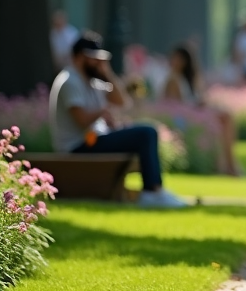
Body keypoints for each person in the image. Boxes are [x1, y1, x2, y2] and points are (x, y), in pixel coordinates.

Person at [49, 33, 187, 208]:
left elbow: (122, 101)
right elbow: (82, 120)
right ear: (79, 57)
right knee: (146, 133)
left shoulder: (91, 81)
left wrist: (107, 73)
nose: (97, 63)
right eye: (93, 59)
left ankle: (154, 189)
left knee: (143, 131)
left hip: (93, 141)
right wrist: (102, 112)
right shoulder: (69, 81)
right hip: (78, 146)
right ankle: (152, 191)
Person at [162, 45, 244, 176]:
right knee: (225, 117)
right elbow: (173, 106)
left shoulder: (184, 79)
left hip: (191, 114)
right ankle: (230, 165)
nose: (174, 61)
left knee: (225, 116)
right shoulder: (173, 80)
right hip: (182, 119)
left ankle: (229, 164)